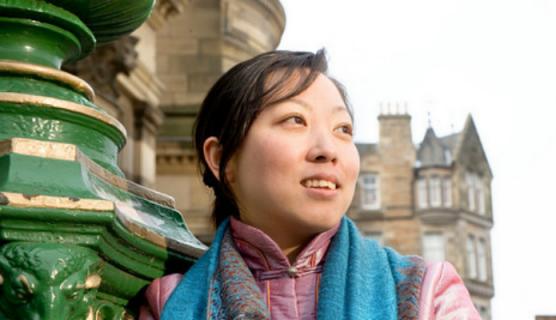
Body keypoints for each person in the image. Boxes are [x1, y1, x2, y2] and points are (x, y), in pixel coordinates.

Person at [139, 50, 480, 319]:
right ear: (222, 159)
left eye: (343, 129)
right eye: (295, 120)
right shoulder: (169, 302)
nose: (328, 150)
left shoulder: (428, 293)